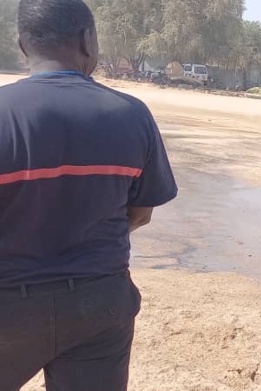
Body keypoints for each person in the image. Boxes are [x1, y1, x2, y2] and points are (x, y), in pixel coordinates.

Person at [0, 0, 177, 390]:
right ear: (88, 39)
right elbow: (141, 213)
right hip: (98, 304)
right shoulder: (132, 115)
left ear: (22, 45)